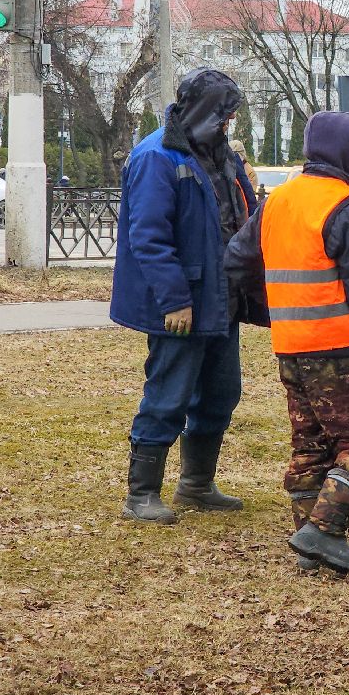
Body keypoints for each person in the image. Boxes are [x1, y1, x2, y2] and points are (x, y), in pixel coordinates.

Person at [226, 112, 349, 577]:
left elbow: (236, 262)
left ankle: (309, 551)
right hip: (340, 350)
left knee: (310, 446)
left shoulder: (279, 201)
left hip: (291, 347)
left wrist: (278, 308)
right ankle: (324, 533)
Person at [111, 69, 263, 525]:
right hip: (182, 304)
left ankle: (196, 484)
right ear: (204, 111)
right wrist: (175, 299)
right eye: (225, 115)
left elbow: (244, 218)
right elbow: (149, 237)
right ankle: (141, 494)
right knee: (168, 394)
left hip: (222, 299)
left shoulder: (223, 155)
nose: (229, 124)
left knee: (221, 393)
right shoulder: (156, 156)